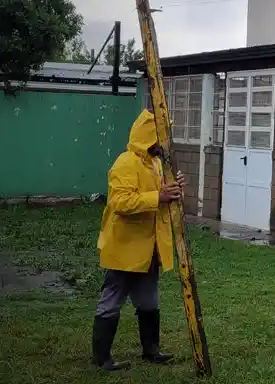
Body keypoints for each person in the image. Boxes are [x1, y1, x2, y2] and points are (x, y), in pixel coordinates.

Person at [91, 108, 185, 371]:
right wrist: (159, 196)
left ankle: (151, 350)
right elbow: (120, 202)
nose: (164, 143)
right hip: (125, 247)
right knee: (112, 300)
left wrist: (175, 190)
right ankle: (102, 358)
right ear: (147, 137)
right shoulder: (125, 163)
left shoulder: (156, 164)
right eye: (160, 137)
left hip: (150, 248)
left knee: (149, 301)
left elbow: (165, 201)